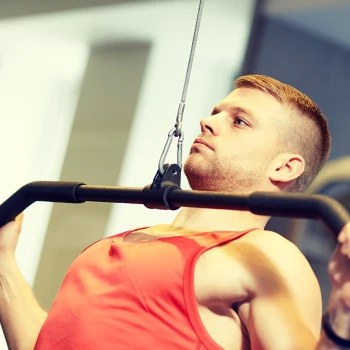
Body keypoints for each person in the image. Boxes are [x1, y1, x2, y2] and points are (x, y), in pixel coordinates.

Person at [0, 74, 349, 350]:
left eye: (239, 121)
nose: (207, 122)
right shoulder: (124, 242)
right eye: (216, 113)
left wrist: (344, 317)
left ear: (285, 167)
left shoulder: (266, 256)